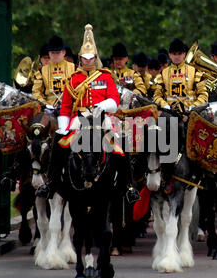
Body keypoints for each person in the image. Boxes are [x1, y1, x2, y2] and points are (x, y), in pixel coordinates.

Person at [36, 24, 140, 203]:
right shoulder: (73, 79)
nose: (88, 61)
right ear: (80, 59)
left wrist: (104, 105)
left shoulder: (105, 76)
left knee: (120, 145)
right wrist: (63, 127)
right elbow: (67, 106)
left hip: (102, 118)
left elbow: (115, 99)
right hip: (79, 119)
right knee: (60, 146)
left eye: (91, 58)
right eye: (84, 58)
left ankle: (128, 186)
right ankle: (51, 183)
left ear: (96, 58)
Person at [153, 38, 208, 116]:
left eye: (179, 53)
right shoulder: (162, 74)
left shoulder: (194, 71)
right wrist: (165, 106)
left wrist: (194, 106)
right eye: (174, 54)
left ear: (184, 54)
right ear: (170, 55)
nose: (177, 56)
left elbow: (203, 94)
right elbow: (157, 96)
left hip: (191, 113)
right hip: (169, 113)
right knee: (163, 121)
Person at [32, 35, 75, 107]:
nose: (55, 55)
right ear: (49, 53)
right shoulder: (42, 71)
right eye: (52, 53)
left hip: (71, 106)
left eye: (58, 53)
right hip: (49, 108)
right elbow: (36, 92)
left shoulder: (74, 68)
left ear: (63, 52)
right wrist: (45, 105)